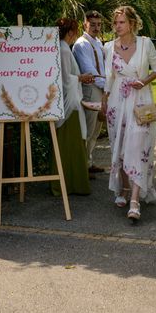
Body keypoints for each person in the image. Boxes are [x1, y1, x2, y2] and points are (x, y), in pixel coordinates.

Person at [101, 6, 156, 221]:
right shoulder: (108, 47)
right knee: (121, 146)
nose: (117, 26)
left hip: (141, 101)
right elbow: (109, 77)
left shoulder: (145, 44)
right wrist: (104, 99)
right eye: (115, 23)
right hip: (117, 102)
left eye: (122, 22)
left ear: (132, 23)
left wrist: (142, 81)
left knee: (138, 146)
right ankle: (124, 189)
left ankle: (135, 200)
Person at [50, 18, 93, 197]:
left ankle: (69, 182)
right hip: (69, 103)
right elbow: (66, 79)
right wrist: (81, 78)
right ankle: (71, 183)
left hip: (70, 101)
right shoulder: (64, 49)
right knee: (71, 143)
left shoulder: (63, 48)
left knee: (71, 143)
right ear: (70, 32)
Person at [72, 10, 106, 176]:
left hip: (100, 87)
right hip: (91, 88)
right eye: (92, 24)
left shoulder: (98, 42)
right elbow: (89, 70)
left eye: (99, 24)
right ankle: (80, 167)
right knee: (87, 128)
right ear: (84, 24)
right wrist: (106, 85)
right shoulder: (81, 44)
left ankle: (88, 162)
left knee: (96, 129)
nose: (96, 27)